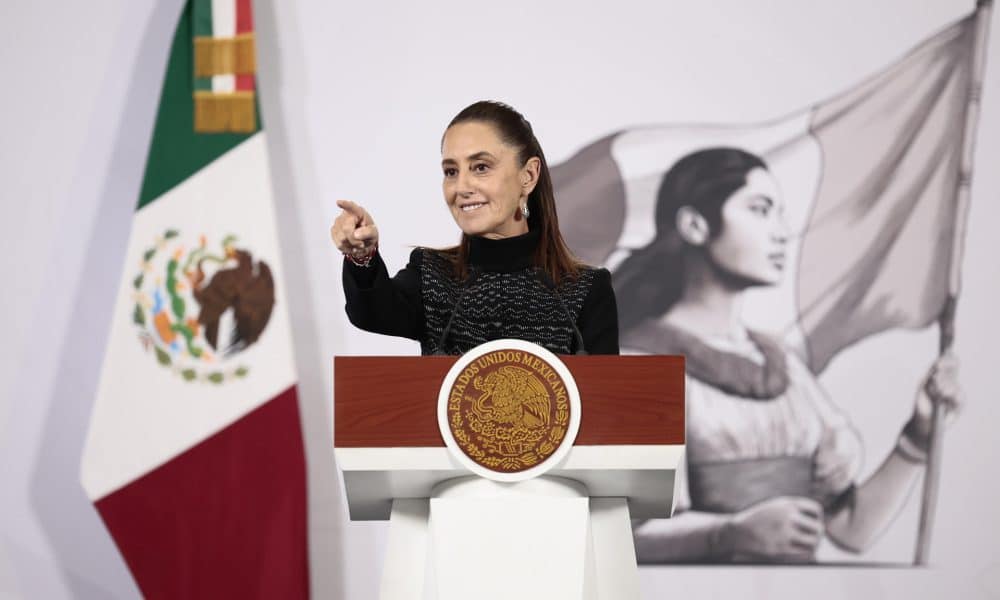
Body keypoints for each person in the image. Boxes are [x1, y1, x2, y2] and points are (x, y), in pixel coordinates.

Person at [615, 148, 961, 562]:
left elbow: (851, 529)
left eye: (780, 214)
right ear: (694, 225)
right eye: (760, 210)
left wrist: (918, 437)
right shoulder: (635, 364)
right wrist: (729, 534)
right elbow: (621, 536)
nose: (781, 232)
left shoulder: (782, 366)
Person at [330, 100, 619, 356]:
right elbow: (371, 312)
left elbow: (607, 396)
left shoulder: (584, 289)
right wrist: (362, 256)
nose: (461, 187)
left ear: (529, 176)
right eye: (451, 171)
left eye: (480, 167)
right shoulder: (432, 275)